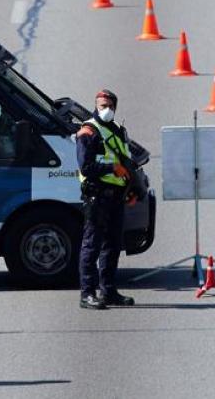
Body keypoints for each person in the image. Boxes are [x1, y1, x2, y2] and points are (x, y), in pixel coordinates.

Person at [76, 89, 138, 310]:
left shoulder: (119, 130)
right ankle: (87, 294)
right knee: (91, 245)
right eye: (102, 106)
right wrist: (111, 167)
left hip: (116, 196)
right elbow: (86, 167)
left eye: (110, 106)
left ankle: (108, 291)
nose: (106, 110)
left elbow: (127, 162)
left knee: (112, 246)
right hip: (96, 196)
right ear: (95, 106)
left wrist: (131, 190)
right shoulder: (87, 131)